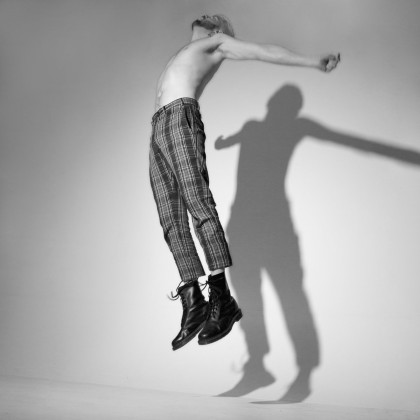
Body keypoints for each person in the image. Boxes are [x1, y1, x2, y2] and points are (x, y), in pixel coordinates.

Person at [149, 14, 340, 351]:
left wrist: (312, 61)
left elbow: (264, 51)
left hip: (180, 115)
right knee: (170, 219)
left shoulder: (217, 43)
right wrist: (230, 140)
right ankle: (193, 301)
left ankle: (222, 297)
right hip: (159, 126)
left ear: (219, 31)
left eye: (217, 19)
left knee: (198, 204)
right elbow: (244, 134)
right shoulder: (188, 51)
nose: (210, 14)